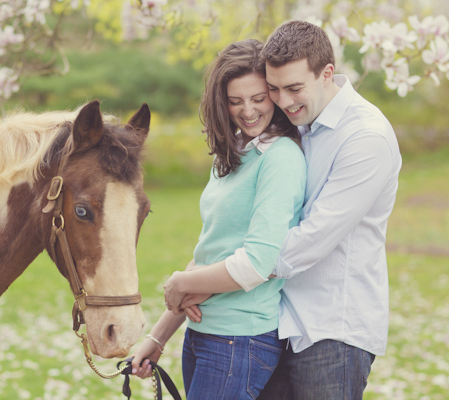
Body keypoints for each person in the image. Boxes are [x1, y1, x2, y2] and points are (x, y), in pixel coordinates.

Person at [130, 39, 306, 400]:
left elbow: (258, 262)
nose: (249, 111)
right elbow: (211, 252)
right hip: (203, 335)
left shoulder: (281, 158)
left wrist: (180, 282)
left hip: (240, 340)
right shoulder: (232, 155)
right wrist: (158, 336)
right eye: (235, 101)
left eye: (259, 98)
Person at [256, 21, 402, 400]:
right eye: (274, 89)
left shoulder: (365, 136)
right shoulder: (297, 125)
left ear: (327, 74)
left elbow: (312, 240)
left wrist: (225, 273)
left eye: (294, 88)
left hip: (332, 333)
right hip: (278, 321)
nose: (284, 101)